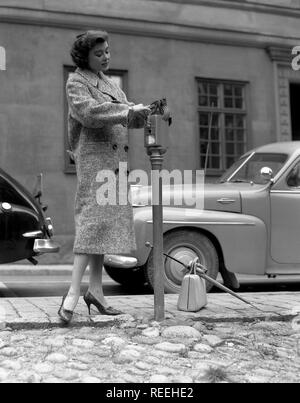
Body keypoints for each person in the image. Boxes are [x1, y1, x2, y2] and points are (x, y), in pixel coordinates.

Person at [58, 30, 151, 324]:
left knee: (101, 230)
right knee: (91, 226)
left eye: (108, 51)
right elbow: (89, 113)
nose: (106, 57)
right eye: (99, 54)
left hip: (114, 164)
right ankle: (72, 293)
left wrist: (143, 112)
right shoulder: (76, 82)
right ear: (84, 57)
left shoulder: (110, 84)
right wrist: (127, 110)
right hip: (95, 163)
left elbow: (126, 115)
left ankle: (95, 292)